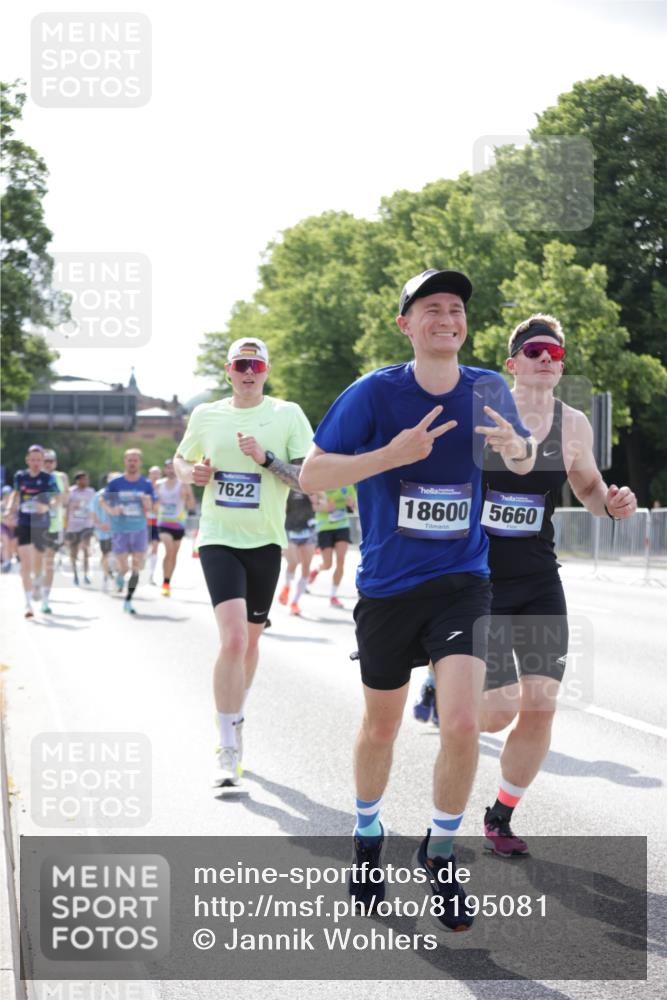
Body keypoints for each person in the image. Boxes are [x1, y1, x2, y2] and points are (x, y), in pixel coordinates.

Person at [300, 268, 535, 931]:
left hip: (463, 581)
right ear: (405, 324)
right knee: (381, 727)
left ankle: (440, 852)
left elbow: (521, 460)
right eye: (431, 308)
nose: (446, 317)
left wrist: (517, 448)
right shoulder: (374, 392)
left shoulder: (487, 388)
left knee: (460, 723)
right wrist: (390, 454)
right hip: (388, 587)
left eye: (456, 308)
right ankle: (367, 834)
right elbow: (312, 474)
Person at [479, 314, 637, 856]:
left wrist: (611, 505)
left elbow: (589, 488)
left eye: (555, 352)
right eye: (535, 350)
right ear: (513, 363)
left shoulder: (573, 425)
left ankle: (500, 815)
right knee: (496, 713)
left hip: (539, 580)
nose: (547, 357)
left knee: (541, 705)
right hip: (479, 581)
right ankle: (444, 678)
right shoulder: (482, 413)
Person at [174, 337, 313, 787]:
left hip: (266, 541)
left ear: (266, 370)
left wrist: (266, 458)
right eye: (241, 365)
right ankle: (226, 743)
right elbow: (180, 459)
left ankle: (236, 715)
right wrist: (192, 474)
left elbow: (306, 479)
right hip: (218, 538)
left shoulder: (287, 414)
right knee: (233, 639)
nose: (248, 372)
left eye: (256, 365)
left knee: (251, 643)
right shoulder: (206, 414)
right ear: (229, 370)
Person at [101, 449, 156, 615]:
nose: (132, 463)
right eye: (130, 460)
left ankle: (128, 600)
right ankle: (120, 575)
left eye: (135, 460)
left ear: (140, 463)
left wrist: (148, 503)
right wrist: (111, 510)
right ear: (125, 461)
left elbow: (153, 507)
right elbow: (103, 500)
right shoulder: (116, 483)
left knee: (136, 566)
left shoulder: (146, 484)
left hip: (139, 529)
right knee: (124, 566)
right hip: (120, 530)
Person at [8, 445, 59, 618]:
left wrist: (47, 506)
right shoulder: (20, 476)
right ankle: (28, 604)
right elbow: (16, 494)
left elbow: (55, 498)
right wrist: (9, 509)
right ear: (27, 460)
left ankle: (37, 580)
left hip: (41, 523)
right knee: (25, 564)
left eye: (39, 460)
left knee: (38, 560)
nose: (36, 463)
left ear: (43, 461)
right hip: (24, 521)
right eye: (33, 459)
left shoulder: (48, 478)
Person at [309, 485, 357, 608]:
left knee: (341, 561)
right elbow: (314, 506)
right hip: (324, 527)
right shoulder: (321, 483)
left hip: (342, 526)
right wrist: (324, 507)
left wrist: (351, 505)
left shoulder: (347, 486)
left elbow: (353, 509)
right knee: (328, 564)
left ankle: (333, 595)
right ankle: (316, 570)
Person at [278, 487, 322, 615]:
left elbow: (323, 505)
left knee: (306, 567)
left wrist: (315, 500)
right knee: (293, 562)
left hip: (308, 530)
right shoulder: (288, 488)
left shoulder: (312, 487)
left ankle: (295, 602)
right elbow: (281, 508)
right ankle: (287, 586)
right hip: (290, 530)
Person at [155, 458, 195, 596]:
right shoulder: (158, 484)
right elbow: (153, 505)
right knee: (169, 549)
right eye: (168, 468)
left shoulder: (184, 484)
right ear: (165, 470)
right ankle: (164, 582)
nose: (171, 470)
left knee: (173, 555)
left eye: (173, 467)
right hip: (163, 523)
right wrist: (155, 504)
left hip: (178, 524)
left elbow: (191, 506)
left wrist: (187, 496)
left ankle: (167, 583)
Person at [41, 449, 69, 612]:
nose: (48, 464)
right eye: (45, 460)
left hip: (54, 525)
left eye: (51, 461)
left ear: (55, 463)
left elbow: (66, 498)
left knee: (49, 561)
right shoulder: (32, 477)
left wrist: (56, 499)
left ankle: (45, 599)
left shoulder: (61, 477)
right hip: (34, 525)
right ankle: (36, 584)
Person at [64, 471, 95, 585]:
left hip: (86, 524)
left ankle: (86, 574)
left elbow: (95, 506)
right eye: (83, 479)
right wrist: (65, 525)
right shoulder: (71, 492)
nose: (86, 481)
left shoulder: (91, 492)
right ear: (78, 481)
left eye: (87, 479)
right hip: (73, 525)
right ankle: (75, 574)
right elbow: (65, 506)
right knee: (74, 551)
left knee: (85, 548)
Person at [92, 472, 120, 589]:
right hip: (104, 531)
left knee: (119, 555)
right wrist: (99, 525)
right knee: (106, 554)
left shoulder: (123, 494)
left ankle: (118, 577)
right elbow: (92, 512)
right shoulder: (99, 495)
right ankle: (106, 577)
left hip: (120, 530)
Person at [146, 465, 162, 583]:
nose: (155, 476)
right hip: (144, 522)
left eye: (157, 473)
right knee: (142, 548)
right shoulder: (145, 486)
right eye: (153, 473)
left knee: (155, 546)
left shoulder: (163, 487)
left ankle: (151, 575)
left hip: (156, 522)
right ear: (149, 474)